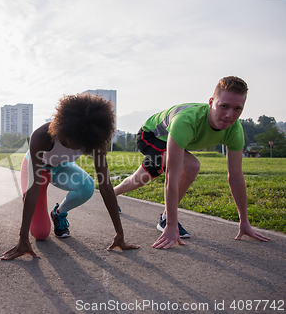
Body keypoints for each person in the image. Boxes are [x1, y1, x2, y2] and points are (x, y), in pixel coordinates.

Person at [113, 76, 270, 249]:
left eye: (237, 109)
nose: (229, 115)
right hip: (151, 135)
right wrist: (172, 225)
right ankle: (166, 219)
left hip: (172, 140)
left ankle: (111, 195)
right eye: (223, 106)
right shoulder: (187, 121)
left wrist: (245, 222)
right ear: (211, 102)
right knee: (191, 165)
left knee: (141, 178)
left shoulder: (234, 130)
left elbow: (236, 177)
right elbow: (171, 177)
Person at [2, 94, 139, 260]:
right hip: (38, 169)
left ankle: (59, 213)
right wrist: (23, 238)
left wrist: (120, 234)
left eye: (81, 143)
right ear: (63, 127)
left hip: (62, 167)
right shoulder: (41, 136)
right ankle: (29, 205)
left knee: (87, 187)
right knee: (41, 233)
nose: (75, 146)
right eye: (71, 140)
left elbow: (105, 185)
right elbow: (34, 186)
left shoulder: (94, 139)